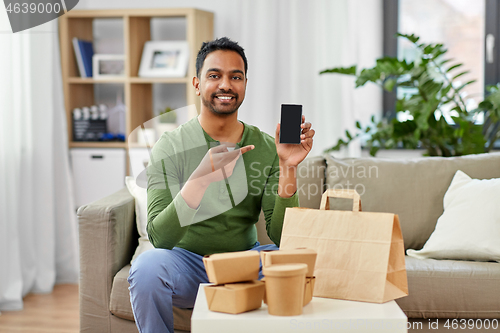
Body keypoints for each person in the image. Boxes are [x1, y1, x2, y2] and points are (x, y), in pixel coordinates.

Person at [128, 37, 315, 333]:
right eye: (214, 75)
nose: (226, 85)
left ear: (244, 85)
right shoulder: (170, 146)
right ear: (197, 83)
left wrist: (287, 168)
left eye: (235, 77)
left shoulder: (266, 146)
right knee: (147, 268)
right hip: (186, 265)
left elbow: (283, 237)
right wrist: (199, 182)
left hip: (245, 264)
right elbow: (160, 238)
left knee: (299, 264)